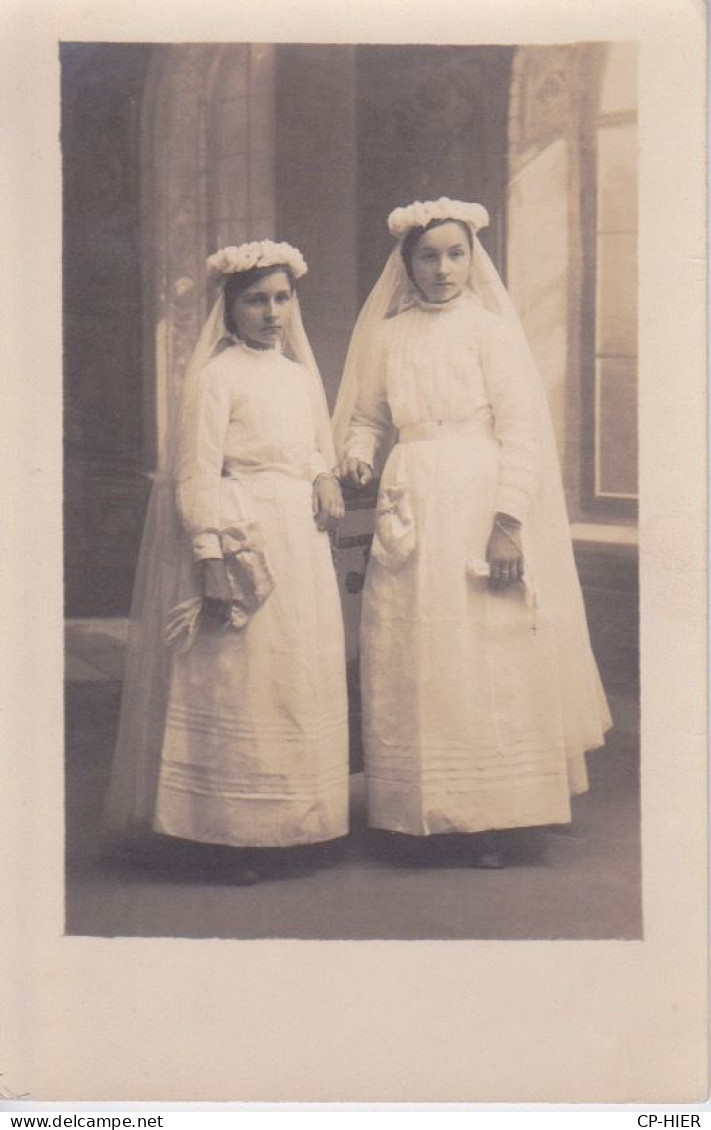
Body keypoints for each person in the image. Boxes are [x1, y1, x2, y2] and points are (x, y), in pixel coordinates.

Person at [332, 198, 612, 868]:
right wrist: (359, 452)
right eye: (427, 256)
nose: (442, 268)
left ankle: (494, 817)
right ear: (407, 263)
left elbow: (521, 435)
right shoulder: (388, 334)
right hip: (410, 499)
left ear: (471, 257)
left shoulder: (488, 331)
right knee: (413, 651)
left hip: (477, 495)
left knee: (486, 655)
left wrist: (507, 525)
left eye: (455, 254)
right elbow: (368, 416)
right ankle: (414, 810)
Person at [105, 240, 349, 883]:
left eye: (281, 299)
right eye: (256, 301)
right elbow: (196, 474)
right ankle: (229, 831)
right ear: (231, 309)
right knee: (242, 679)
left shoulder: (298, 374)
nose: (271, 312)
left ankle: (299, 821)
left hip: (300, 541)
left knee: (295, 675)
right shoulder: (218, 376)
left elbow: (314, 446)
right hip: (243, 532)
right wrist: (209, 555)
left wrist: (324, 477)